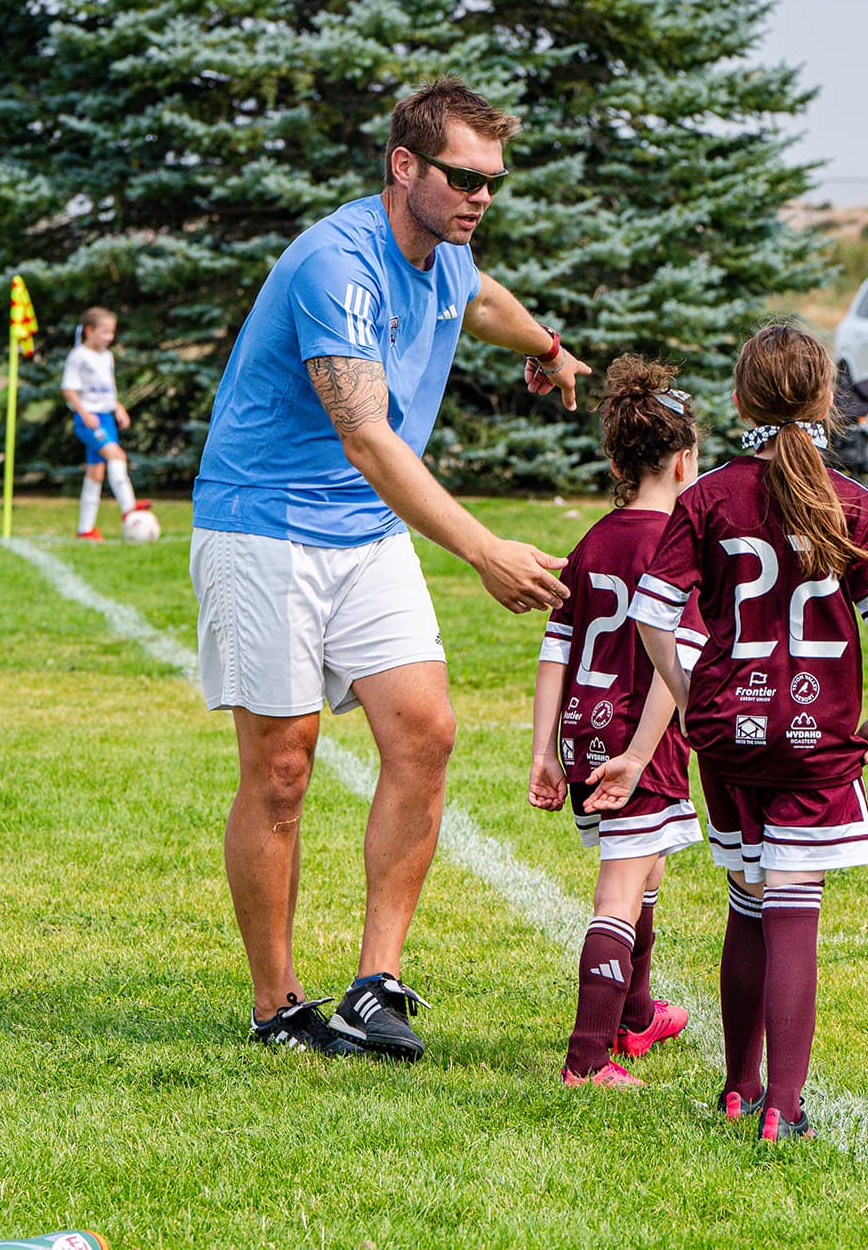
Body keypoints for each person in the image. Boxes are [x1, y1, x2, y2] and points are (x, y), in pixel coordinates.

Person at [189, 77, 590, 1058]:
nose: (480, 196)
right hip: (264, 526)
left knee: (425, 734)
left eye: (492, 181)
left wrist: (547, 345)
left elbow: (481, 300)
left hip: (365, 534)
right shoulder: (339, 264)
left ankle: (376, 987)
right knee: (281, 771)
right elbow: (367, 436)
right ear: (404, 165)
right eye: (463, 177)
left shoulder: (445, 256)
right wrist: (484, 549)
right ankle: (279, 1007)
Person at [628, 322, 868, 1143]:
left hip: (729, 730)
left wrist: (689, 695)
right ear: (827, 400)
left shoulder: (707, 497)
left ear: (737, 400)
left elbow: (652, 615)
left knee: (747, 899)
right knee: (794, 904)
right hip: (816, 732)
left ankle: (737, 1086)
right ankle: (782, 1108)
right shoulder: (850, 500)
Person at [528, 357, 708, 1089]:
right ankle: (587, 1059)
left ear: (614, 463)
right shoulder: (678, 546)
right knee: (619, 891)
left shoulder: (594, 541)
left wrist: (544, 750)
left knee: (647, 863)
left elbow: (555, 649)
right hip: (638, 741)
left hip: (584, 731)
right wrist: (640, 753)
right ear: (684, 462)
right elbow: (675, 663)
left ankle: (635, 1016)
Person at [61, 307, 150, 539]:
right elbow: (69, 390)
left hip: (106, 418)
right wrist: (84, 413)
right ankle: (129, 507)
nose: (110, 337)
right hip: (90, 420)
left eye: (112, 332)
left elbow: (108, 388)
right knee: (117, 455)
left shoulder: (106, 356)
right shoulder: (78, 356)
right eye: (105, 332)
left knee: (96, 473)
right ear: (89, 331)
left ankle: (85, 530)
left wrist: (118, 407)